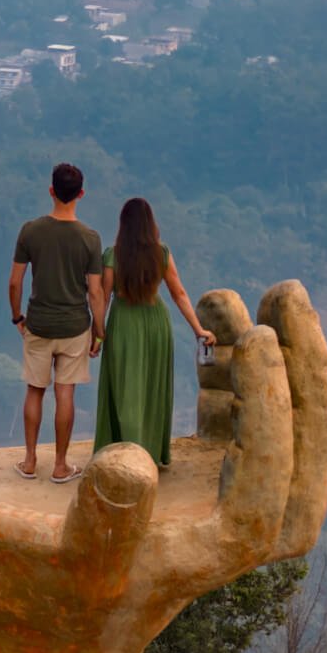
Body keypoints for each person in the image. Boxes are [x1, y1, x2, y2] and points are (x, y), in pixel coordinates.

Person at [94, 196, 212, 469]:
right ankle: (147, 452)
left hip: (124, 324)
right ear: (150, 225)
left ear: (123, 225)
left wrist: (97, 333)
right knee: (151, 387)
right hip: (156, 324)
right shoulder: (161, 254)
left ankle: (122, 453)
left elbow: (104, 296)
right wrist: (199, 330)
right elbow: (178, 293)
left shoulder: (113, 255)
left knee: (125, 388)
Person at [9, 161, 105, 483]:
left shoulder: (30, 231)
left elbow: (15, 282)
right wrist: (99, 332)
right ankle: (61, 466)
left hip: (38, 323)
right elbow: (95, 292)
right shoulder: (90, 238)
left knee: (35, 390)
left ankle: (30, 461)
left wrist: (17, 317)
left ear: (51, 191)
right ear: (81, 194)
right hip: (75, 325)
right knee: (65, 393)